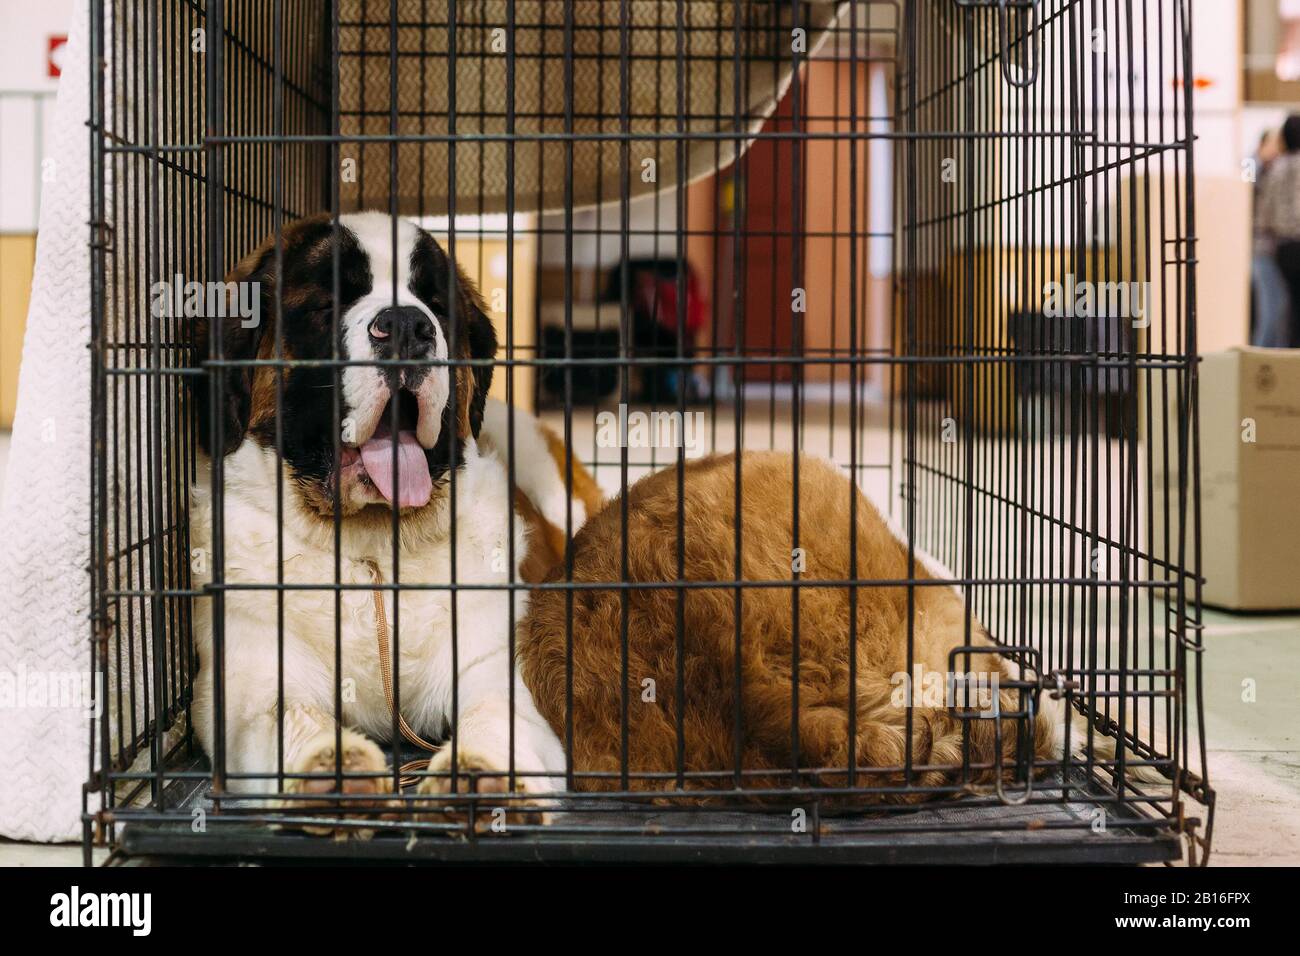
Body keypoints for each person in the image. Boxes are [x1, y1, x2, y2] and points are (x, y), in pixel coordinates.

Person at [1258, 115, 1300, 347]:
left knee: (1289, 308)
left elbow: (1266, 213)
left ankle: (1289, 358)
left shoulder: (1276, 168)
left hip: (1283, 248)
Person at [1251, 128, 1292, 348]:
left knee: (1280, 307)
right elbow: (1243, 185)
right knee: (1270, 308)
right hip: (1260, 249)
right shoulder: (1251, 166)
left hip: (1275, 250)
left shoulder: (1280, 169)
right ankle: (1260, 354)